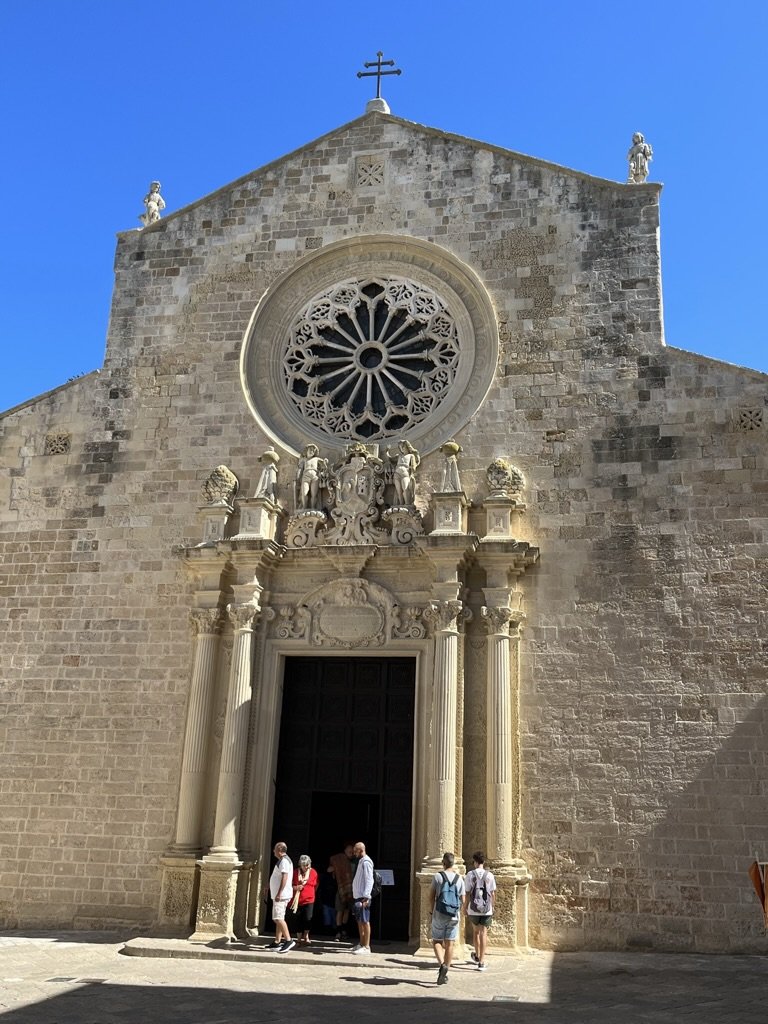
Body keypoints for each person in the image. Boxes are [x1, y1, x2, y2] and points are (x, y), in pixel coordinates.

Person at [430, 851, 465, 986]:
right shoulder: (459, 878)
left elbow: (431, 896)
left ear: (443, 863)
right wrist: (458, 911)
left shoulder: (438, 877)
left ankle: (442, 965)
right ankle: (446, 969)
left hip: (439, 912)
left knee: (437, 941)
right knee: (450, 943)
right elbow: (462, 898)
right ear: (453, 863)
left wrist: (431, 910)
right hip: (453, 914)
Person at [464, 851, 496, 971]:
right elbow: (492, 893)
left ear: (475, 862)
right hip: (486, 909)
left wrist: (465, 907)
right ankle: (482, 962)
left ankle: (477, 955)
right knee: (484, 933)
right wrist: (493, 906)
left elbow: (467, 893)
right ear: (483, 862)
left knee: (476, 932)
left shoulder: (470, 875)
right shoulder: (490, 875)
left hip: (473, 908)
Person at [267, 841, 296, 953]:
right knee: (280, 918)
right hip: (280, 894)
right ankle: (277, 941)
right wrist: (269, 886)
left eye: (274, 849)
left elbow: (284, 877)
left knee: (277, 918)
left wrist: (279, 893)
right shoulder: (284, 860)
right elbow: (278, 877)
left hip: (281, 895)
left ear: (279, 850)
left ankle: (288, 940)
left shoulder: (284, 861)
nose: (273, 851)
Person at [328, 842, 356, 941]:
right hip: (341, 890)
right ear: (345, 851)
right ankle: (338, 932)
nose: (351, 853)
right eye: (349, 851)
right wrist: (336, 868)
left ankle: (344, 930)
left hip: (352, 890)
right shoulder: (339, 861)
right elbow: (329, 870)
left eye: (352, 852)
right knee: (340, 910)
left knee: (347, 911)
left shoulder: (355, 862)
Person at [351, 840, 374, 955]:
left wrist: (366, 896)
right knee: (360, 921)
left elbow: (369, 879)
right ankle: (361, 943)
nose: (354, 853)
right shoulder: (360, 861)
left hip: (363, 897)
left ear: (360, 850)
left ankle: (366, 946)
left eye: (355, 851)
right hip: (358, 896)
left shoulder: (366, 862)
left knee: (365, 921)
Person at [290, 854, 318, 946]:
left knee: (308, 918)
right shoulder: (294, 873)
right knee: (298, 919)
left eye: (308, 864)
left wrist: (312, 893)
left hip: (309, 900)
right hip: (297, 901)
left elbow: (316, 884)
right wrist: (296, 887)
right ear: (300, 865)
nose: (306, 867)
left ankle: (306, 937)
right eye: (304, 865)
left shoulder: (313, 872)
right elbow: (289, 886)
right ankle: (298, 938)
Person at [296, 444, 327, 510]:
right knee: (304, 493)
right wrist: (298, 476)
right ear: (306, 451)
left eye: (313, 451)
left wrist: (325, 462)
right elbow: (300, 468)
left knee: (314, 494)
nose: (311, 452)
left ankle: (313, 507)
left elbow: (324, 466)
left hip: (315, 477)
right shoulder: (304, 459)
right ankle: (304, 507)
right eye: (310, 450)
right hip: (306, 476)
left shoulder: (317, 459)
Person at [389, 439, 420, 505]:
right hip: (397, 474)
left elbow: (413, 466)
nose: (402, 448)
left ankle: (407, 504)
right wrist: (386, 450)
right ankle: (401, 504)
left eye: (403, 446)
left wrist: (411, 469)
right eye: (400, 447)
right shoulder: (399, 456)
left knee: (405, 489)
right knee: (399, 491)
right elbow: (390, 459)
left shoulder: (411, 456)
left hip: (405, 473)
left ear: (407, 446)